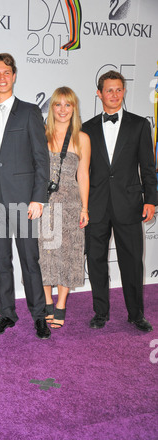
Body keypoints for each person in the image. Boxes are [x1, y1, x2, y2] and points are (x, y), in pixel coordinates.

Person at [0, 53, 51, 339]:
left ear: (14, 75)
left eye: (7, 72)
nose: (2, 77)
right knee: (0, 260)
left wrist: (38, 198)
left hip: (24, 201)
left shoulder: (30, 111)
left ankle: (39, 316)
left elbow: (41, 159)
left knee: (30, 261)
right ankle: (7, 314)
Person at [82, 70, 157, 332]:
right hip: (96, 205)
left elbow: (148, 167)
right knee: (96, 260)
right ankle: (100, 312)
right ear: (99, 93)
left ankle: (136, 314)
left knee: (132, 261)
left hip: (130, 204)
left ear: (124, 92)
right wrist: (82, 206)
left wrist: (151, 200)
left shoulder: (139, 125)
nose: (114, 94)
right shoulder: (87, 128)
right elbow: (83, 171)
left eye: (118, 89)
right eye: (109, 90)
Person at [38, 87, 90, 329]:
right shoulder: (41, 135)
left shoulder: (82, 138)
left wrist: (85, 208)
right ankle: (47, 301)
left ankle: (61, 304)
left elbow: (84, 175)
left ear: (74, 108)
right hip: (45, 204)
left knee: (68, 256)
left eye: (67, 105)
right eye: (58, 104)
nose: (62, 109)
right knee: (46, 254)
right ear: (52, 108)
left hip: (70, 203)